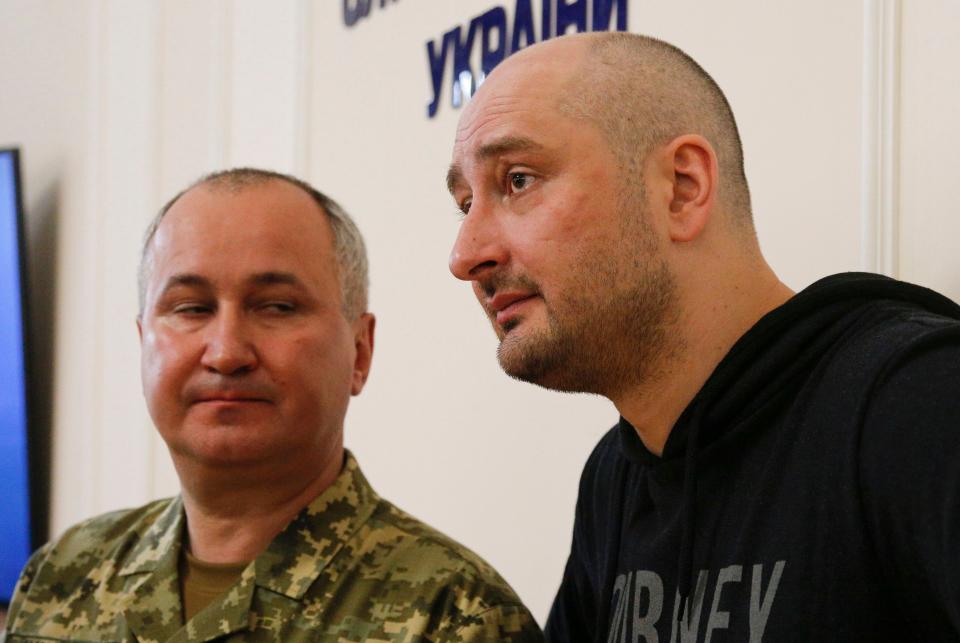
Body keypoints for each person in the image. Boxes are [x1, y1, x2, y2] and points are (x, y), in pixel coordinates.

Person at [446, 31, 960, 642]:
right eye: (464, 202)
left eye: (519, 180)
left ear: (682, 187)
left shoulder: (918, 401)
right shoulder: (617, 475)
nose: (465, 254)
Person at [4, 169, 542, 642]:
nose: (226, 352)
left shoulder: (455, 617)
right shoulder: (64, 576)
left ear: (359, 351)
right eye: (191, 308)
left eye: (277, 307)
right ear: (142, 340)